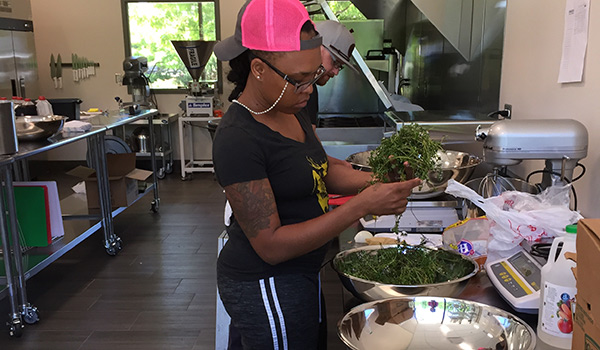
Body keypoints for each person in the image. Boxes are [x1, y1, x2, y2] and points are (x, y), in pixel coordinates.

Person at [212, 0, 422, 349]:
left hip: (302, 271)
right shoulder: (238, 136)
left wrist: (380, 183)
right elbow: (271, 246)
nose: (310, 89)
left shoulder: (288, 107)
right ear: (259, 69)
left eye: (314, 77)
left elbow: (321, 169)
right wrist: (359, 207)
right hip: (265, 282)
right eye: (299, 80)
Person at [305, 20, 359, 169]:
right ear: (316, 47)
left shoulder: (310, 90)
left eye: (339, 67)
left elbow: (311, 145)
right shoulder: (295, 89)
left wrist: (342, 165)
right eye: (335, 62)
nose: (335, 72)